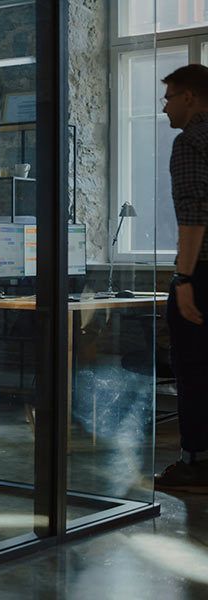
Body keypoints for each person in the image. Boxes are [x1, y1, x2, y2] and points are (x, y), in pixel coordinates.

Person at [156, 64, 208, 492]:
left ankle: (196, 464)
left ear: (190, 97)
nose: (165, 106)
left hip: (203, 273)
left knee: (192, 368)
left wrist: (183, 279)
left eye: (170, 96)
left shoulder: (189, 141)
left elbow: (193, 215)